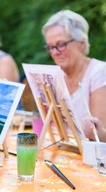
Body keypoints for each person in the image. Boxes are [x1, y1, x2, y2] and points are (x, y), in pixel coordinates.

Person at [42, 10, 106, 141]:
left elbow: (102, 136)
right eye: (50, 47)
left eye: (61, 44)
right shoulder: (54, 76)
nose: (55, 52)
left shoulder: (99, 72)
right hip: (63, 152)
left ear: (81, 44)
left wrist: (92, 130)